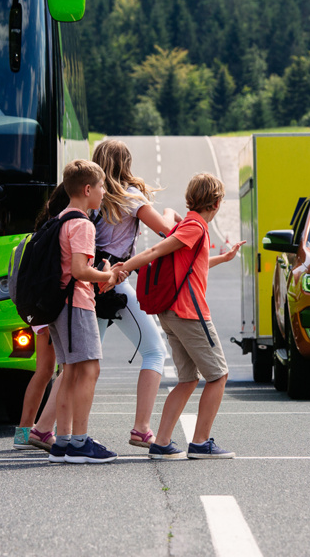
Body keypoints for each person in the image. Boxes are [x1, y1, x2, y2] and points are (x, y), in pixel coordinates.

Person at [119, 173, 245, 460]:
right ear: (216, 203)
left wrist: (222, 259)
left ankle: (162, 442)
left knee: (188, 379)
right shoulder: (195, 227)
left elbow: (192, 263)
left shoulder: (189, 224)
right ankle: (200, 442)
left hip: (172, 312)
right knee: (218, 375)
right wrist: (122, 269)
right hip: (189, 312)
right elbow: (154, 250)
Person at [91, 139, 182, 449]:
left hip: (91, 282)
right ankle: (142, 428)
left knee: (83, 361)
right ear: (126, 163)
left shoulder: (94, 197)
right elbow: (166, 231)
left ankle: (44, 428)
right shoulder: (130, 197)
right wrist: (170, 210)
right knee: (155, 352)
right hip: (115, 282)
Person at [47, 159, 124, 464]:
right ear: (88, 189)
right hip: (76, 304)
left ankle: (63, 441)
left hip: (58, 305)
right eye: (102, 186)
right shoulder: (82, 224)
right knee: (90, 370)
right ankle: (79, 443)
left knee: (70, 372)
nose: (104, 192)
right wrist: (109, 276)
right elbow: (80, 270)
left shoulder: (60, 218)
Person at [12, 185, 70, 451]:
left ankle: (25, 433)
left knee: (45, 371)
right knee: (55, 370)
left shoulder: (38, 232)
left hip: (34, 309)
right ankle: (39, 431)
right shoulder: (58, 231)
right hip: (48, 310)